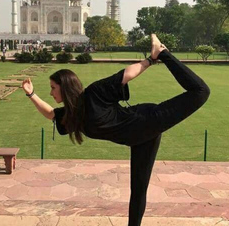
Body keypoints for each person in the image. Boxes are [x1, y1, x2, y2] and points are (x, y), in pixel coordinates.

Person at [22, 34, 210, 226]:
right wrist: (31, 94)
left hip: (148, 120)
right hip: (140, 140)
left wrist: (151, 60)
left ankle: (162, 53)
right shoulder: (73, 115)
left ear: (65, 87)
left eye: (53, 88)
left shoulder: (93, 94)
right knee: (138, 190)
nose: (51, 92)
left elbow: (126, 74)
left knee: (201, 92)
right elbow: (50, 114)